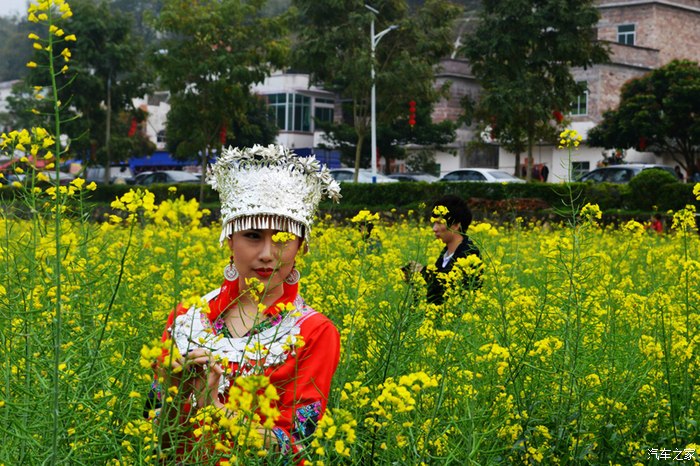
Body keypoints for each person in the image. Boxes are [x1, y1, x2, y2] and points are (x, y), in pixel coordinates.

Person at [147, 144, 342, 463]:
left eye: (282, 239)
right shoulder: (185, 319)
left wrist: (215, 408)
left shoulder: (314, 333)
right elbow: (155, 439)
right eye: (252, 235)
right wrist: (174, 394)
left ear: (301, 247)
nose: (267, 254)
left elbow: (299, 444)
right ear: (229, 240)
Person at [404, 195, 482, 304]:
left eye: (439, 223)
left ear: (456, 225)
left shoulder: (470, 254)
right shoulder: (445, 254)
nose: (434, 229)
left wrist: (423, 273)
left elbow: (451, 289)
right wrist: (416, 279)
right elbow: (434, 293)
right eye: (434, 223)